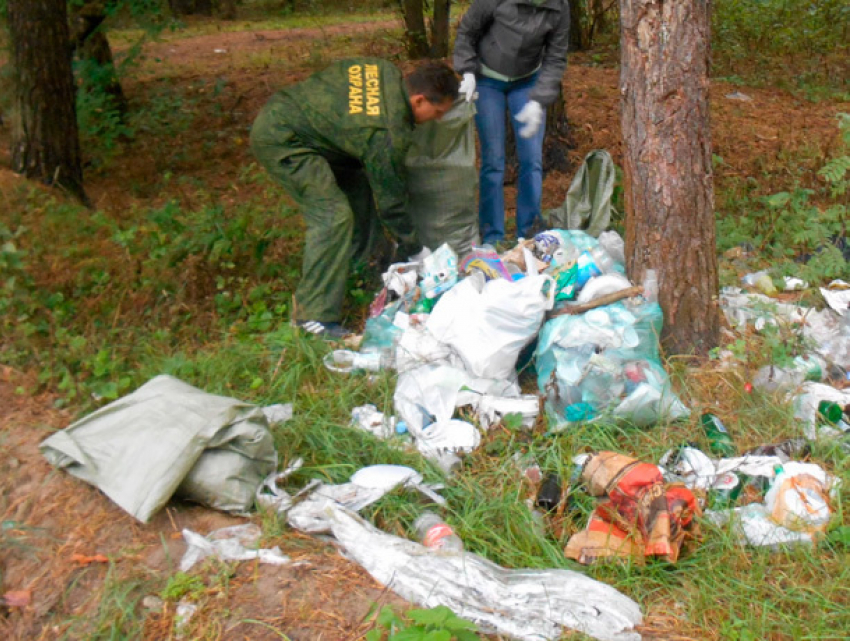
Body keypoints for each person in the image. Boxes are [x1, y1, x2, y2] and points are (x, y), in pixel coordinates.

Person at [250, 58, 459, 338]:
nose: (438, 119)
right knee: (332, 217)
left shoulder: (383, 70)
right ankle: (311, 318)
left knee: (358, 190)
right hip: (285, 139)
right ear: (419, 100)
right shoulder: (387, 133)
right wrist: (414, 247)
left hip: (304, 122)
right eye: (437, 111)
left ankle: (367, 269)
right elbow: (391, 203)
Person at [453, 0, 570, 246]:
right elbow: (468, 31)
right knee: (493, 160)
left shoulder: (559, 7)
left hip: (527, 81)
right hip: (487, 80)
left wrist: (540, 99)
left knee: (532, 159)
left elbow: (556, 57)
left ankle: (529, 231)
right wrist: (467, 71)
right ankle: (492, 236)